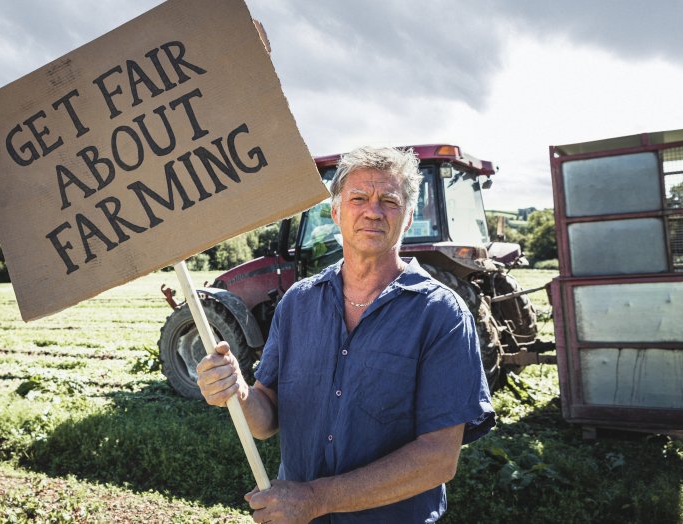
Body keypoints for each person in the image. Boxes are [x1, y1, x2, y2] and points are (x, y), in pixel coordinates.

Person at [196, 146, 495, 523]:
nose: (373, 210)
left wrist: (316, 499)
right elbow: (265, 420)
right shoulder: (297, 304)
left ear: (408, 218)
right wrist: (236, 391)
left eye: (389, 200)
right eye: (359, 198)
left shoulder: (441, 314)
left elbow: (438, 459)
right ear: (336, 212)